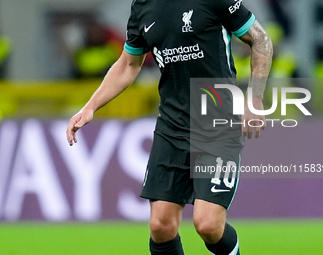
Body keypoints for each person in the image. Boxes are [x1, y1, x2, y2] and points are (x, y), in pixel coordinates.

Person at [66, 0, 273, 254]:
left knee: (207, 225)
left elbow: (261, 40)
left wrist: (254, 98)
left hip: (217, 124)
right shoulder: (142, 6)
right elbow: (129, 64)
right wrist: (90, 106)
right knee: (160, 226)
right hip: (171, 127)